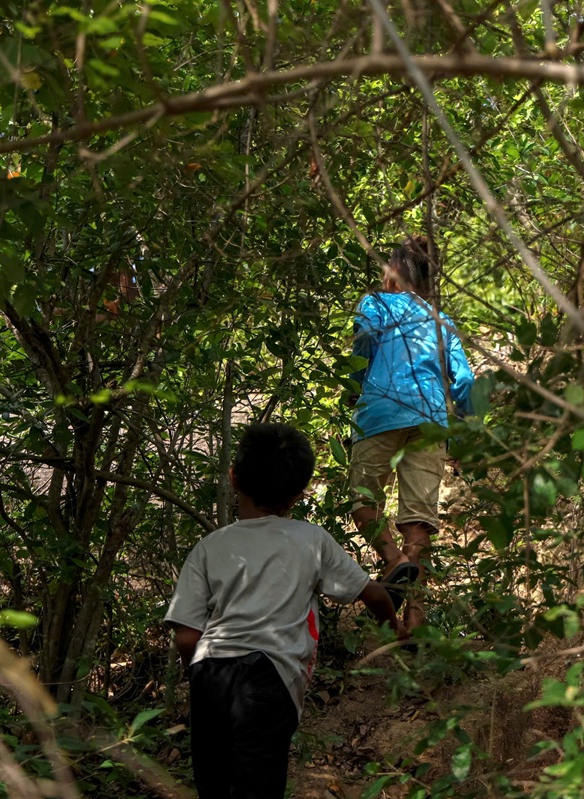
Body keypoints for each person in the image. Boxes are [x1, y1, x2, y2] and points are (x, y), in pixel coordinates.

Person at [165, 422, 404, 799]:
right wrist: (395, 627)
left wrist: (194, 672)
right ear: (297, 494)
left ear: (233, 478)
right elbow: (371, 592)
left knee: (214, 784)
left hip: (209, 674)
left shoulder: (209, 547)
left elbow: (186, 635)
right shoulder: (310, 539)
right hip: (268, 677)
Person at [348, 235, 474, 633]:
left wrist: (354, 386)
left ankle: (393, 560)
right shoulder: (442, 321)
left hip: (381, 411)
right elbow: (467, 381)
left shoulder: (376, 304)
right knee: (419, 519)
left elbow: (363, 341)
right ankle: (414, 618)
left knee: (362, 500)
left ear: (395, 274)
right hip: (431, 418)